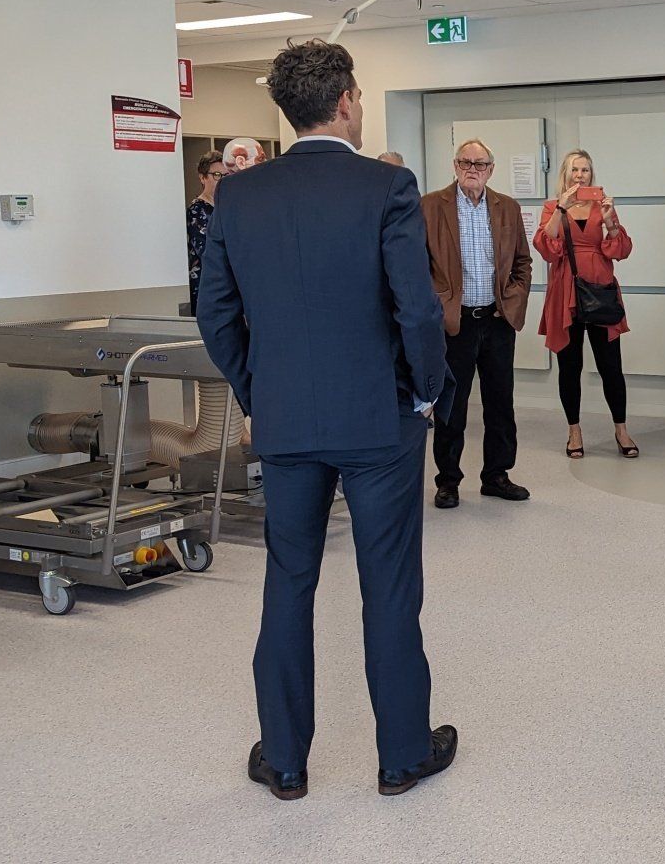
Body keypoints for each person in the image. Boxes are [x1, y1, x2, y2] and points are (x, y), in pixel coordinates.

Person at [196, 40, 456, 802]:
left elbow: (216, 314)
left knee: (289, 581)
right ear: (344, 102)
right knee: (390, 587)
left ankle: (283, 761)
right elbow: (415, 308)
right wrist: (423, 391)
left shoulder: (239, 196)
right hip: (378, 420)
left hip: (286, 422)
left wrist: (259, 391)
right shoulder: (388, 186)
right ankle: (402, 756)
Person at [420, 139, 532, 508]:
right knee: (453, 404)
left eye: (480, 163)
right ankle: (448, 480)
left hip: (497, 319)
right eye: (465, 162)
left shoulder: (507, 208)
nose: (472, 168)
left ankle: (496, 475)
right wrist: (437, 305)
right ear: (455, 165)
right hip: (456, 323)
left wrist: (513, 302)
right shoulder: (431, 206)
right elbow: (418, 264)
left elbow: (522, 262)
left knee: (501, 401)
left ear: (491, 169)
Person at [534, 150, 638, 460]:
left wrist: (611, 223)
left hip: (601, 291)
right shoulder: (553, 208)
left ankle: (621, 428)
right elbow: (545, 247)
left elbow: (621, 249)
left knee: (611, 367)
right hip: (565, 294)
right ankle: (574, 430)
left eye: (586, 171)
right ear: (565, 174)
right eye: (575, 170)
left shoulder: (602, 207)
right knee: (570, 367)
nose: (581, 175)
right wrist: (560, 209)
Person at [185, 151, 224, 311]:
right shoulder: (196, 211)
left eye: (227, 175)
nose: (222, 180)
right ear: (202, 177)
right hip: (208, 289)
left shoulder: (226, 208)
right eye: (217, 175)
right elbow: (209, 252)